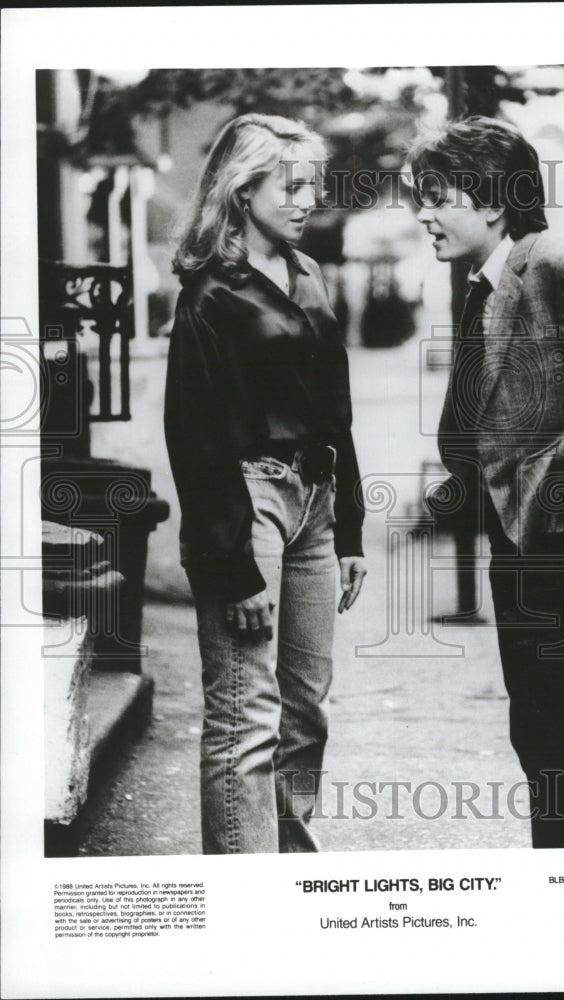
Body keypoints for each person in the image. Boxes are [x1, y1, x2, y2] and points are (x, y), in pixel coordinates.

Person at [411, 117, 564, 848]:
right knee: (541, 737)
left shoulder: (553, 262)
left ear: (491, 200)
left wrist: (549, 482)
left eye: (436, 195)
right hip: (522, 546)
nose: (424, 213)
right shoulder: (485, 278)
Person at [164, 113, 366, 853]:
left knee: (305, 710)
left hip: (314, 504)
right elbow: (194, 437)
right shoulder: (211, 293)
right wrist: (233, 565)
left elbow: (335, 409)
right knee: (247, 715)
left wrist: (349, 528)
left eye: (313, 182)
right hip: (246, 503)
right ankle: (242, 900)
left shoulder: (307, 274)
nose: (307, 197)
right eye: (291, 184)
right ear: (242, 189)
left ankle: (286, 863)